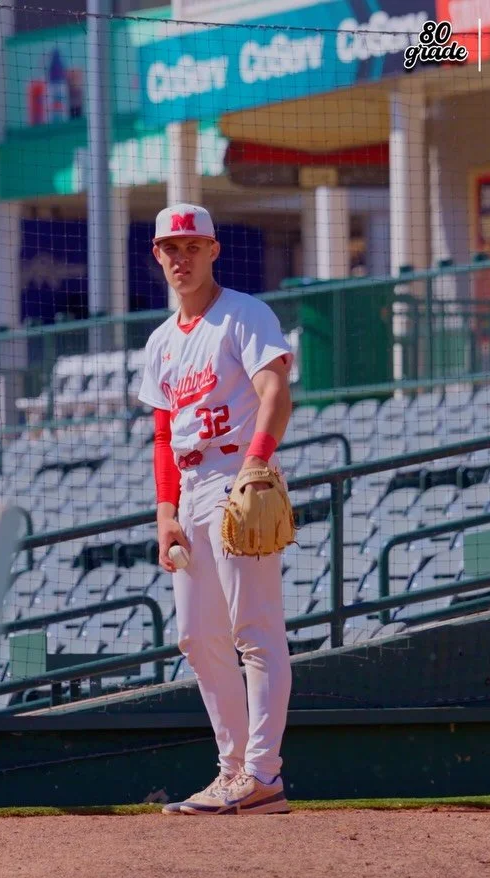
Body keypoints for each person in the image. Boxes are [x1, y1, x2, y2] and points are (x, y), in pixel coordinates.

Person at [137, 203, 293, 816]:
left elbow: (275, 389)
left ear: (213, 250)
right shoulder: (159, 341)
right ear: (157, 254)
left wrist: (258, 461)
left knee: (254, 631)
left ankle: (262, 773)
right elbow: (161, 431)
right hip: (191, 485)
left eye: (192, 246)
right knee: (197, 639)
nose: (181, 257)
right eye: (170, 248)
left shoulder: (244, 315)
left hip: (237, 476)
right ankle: (232, 772)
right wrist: (165, 509)